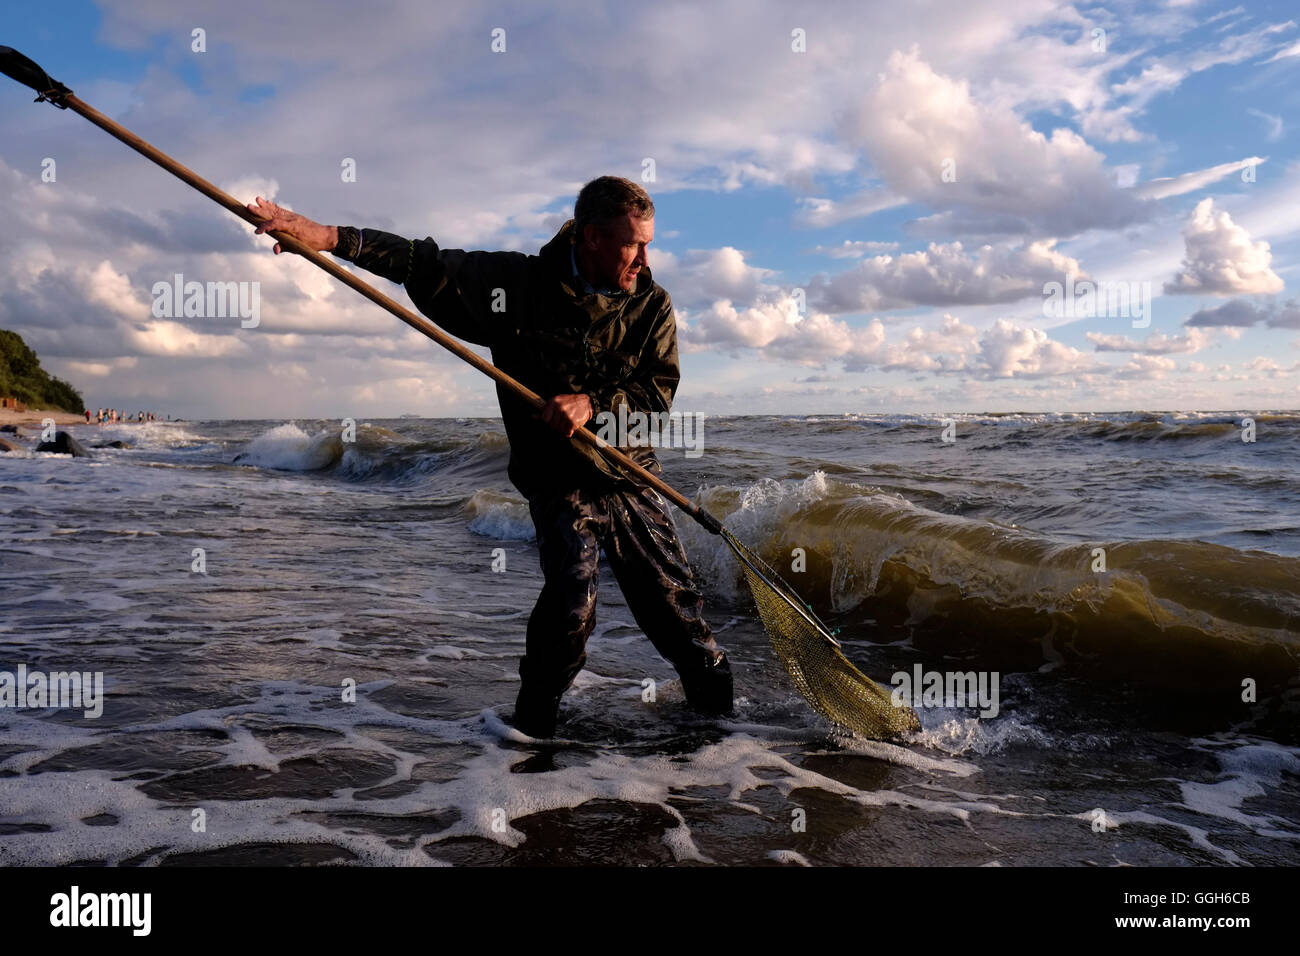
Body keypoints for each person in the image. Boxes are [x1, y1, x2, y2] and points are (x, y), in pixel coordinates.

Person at [247, 176, 733, 738]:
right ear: (592, 237)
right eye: (634, 244)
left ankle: (723, 744)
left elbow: (655, 400)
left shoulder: (653, 304)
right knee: (571, 609)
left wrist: (593, 404)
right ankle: (530, 739)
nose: (646, 258)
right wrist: (328, 237)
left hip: (630, 473)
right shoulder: (517, 285)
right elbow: (420, 262)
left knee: (680, 622)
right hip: (558, 479)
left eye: (649, 243)